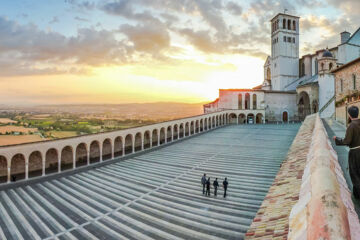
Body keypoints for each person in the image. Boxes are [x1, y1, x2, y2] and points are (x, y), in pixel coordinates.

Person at [333, 106, 360, 200]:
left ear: (349, 114)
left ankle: (358, 195)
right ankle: (356, 194)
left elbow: (347, 141)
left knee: (355, 174)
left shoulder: (351, 126)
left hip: (355, 153)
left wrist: (337, 139)